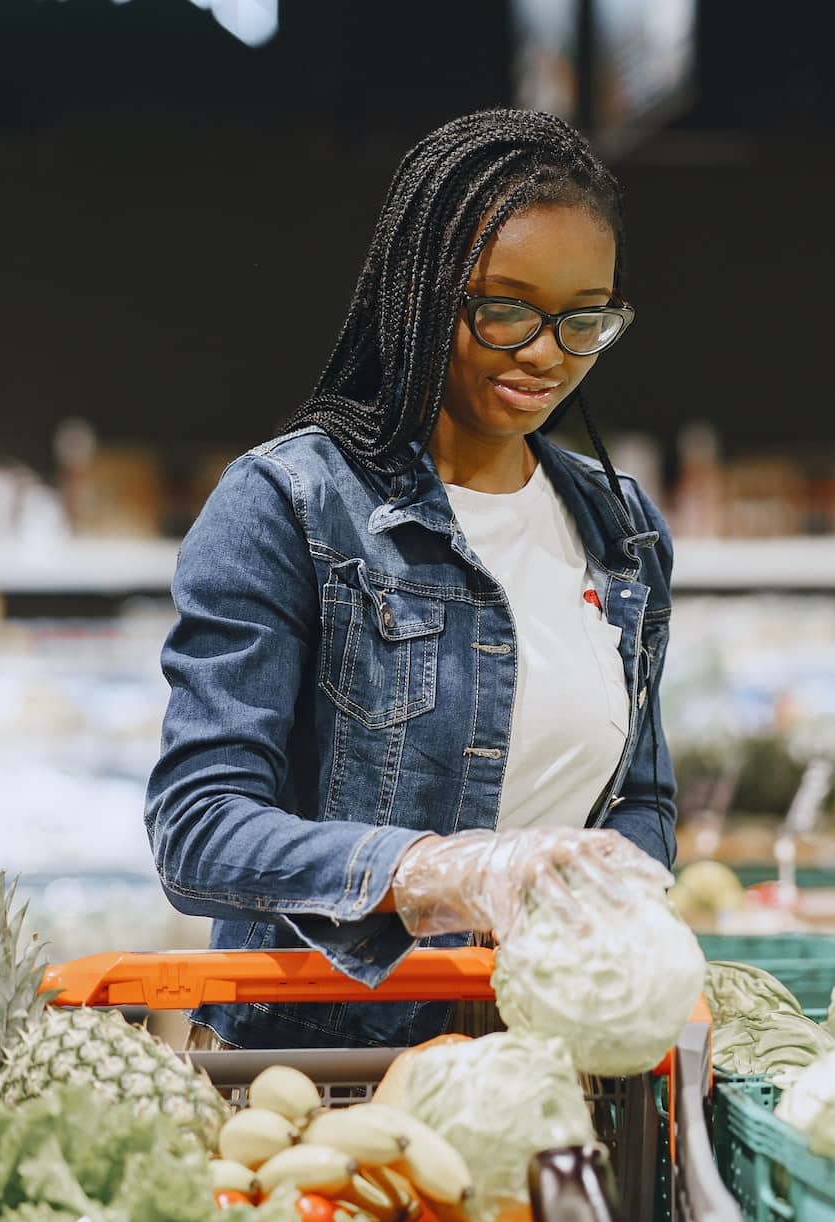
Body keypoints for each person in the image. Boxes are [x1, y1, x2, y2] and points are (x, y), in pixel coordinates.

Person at [144, 108, 676, 1049]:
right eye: (505, 308)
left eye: (584, 317)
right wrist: (436, 871)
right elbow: (198, 829)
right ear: (422, 291)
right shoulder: (290, 505)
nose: (546, 352)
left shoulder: (622, 530)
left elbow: (642, 798)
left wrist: (602, 902)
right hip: (322, 1064)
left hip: (550, 1058)